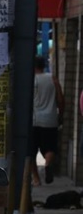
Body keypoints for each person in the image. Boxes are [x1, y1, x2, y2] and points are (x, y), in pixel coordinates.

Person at [31, 57, 64, 186]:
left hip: (33, 120)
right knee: (50, 147)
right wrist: (60, 115)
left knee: (31, 151)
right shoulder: (53, 79)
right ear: (44, 66)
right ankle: (47, 164)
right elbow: (60, 100)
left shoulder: (30, 80)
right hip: (50, 120)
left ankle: (36, 179)